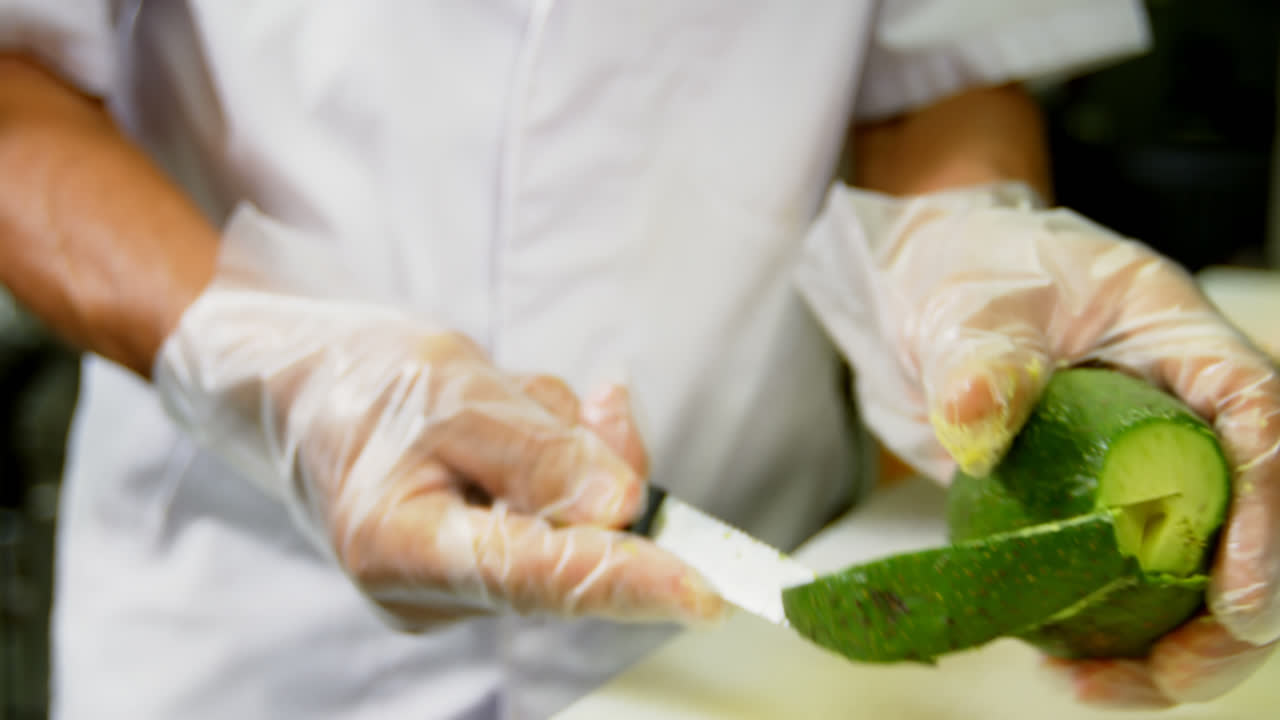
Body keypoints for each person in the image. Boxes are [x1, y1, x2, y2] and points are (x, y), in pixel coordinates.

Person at [0, 1, 1275, 718]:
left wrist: (964, 250)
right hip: (250, 628)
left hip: (733, 608)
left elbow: (944, 60)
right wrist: (267, 364)